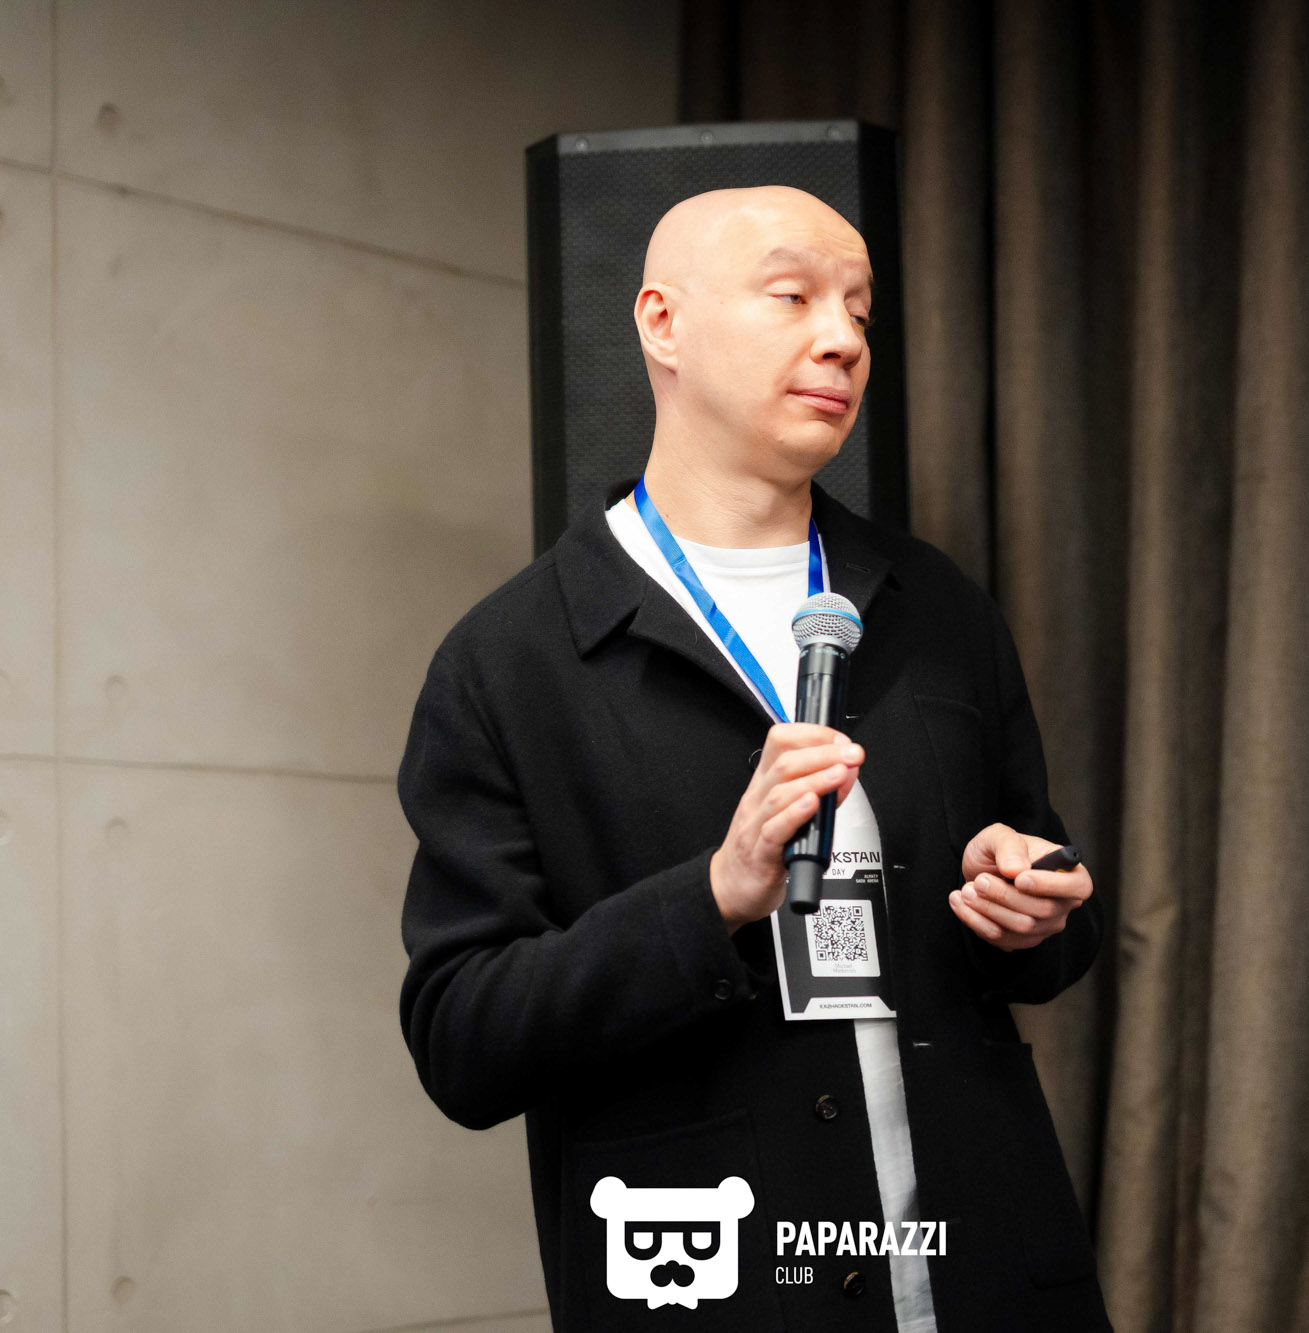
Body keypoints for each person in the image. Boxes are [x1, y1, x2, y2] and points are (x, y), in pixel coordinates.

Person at [397, 185, 1111, 1331]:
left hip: (986, 1273)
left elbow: (1055, 925)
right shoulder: (512, 659)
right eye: (792, 297)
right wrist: (712, 896)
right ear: (661, 323)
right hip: (716, 1281)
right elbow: (461, 1040)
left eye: (859, 312)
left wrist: (1032, 906)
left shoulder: (936, 606)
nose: (842, 339)